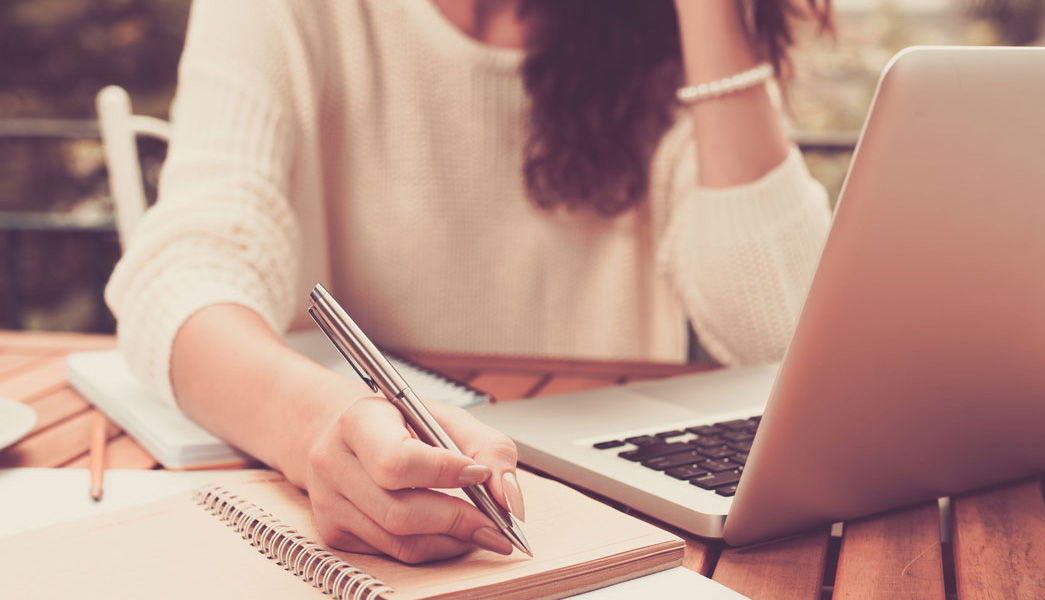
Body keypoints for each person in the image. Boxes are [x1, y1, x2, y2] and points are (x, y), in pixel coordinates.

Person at [106, 0, 834, 564]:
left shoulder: (661, 29)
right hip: (370, 513)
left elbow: (788, 332)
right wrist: (316, 424)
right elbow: (180, 275)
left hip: (614, 522)